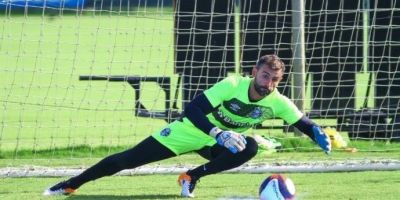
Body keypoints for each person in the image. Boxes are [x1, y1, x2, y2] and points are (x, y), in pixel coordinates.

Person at [43, 54, 331, 198]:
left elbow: (302, 122)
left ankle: (190, 177)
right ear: (254, 72)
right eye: (265, 76)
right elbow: (193, 109)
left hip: (219, 143)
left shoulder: (277, 101)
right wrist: (218, 131)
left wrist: (317, 132)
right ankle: (70, 185)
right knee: (128, 159)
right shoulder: (232, 84)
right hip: (191, 130)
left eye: (274, 80)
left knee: (250, 146)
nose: (268, 84)